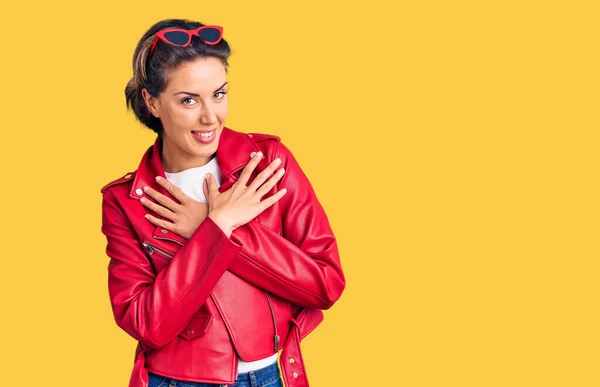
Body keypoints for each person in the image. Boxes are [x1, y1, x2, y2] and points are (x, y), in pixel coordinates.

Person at [100, 18, 346, 387]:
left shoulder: (267, 163)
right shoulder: (126, 201)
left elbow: (325, 285)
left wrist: (209, 224)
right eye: (188, 100)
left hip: (272, 375)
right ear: (152, 101)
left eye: (218, 94)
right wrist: (214, 230)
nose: (210, 116)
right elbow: (148, 326)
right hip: (177, 381)